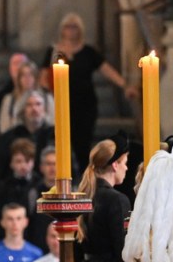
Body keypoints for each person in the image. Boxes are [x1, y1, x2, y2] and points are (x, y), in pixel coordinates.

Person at [42, 13, 136, 171]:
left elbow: (106, 70)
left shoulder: (88, 51)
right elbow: (44, 75)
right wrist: (47, 96)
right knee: (61, 142)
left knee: (83, 143)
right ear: (62, 30)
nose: (71, 31)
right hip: (60, 103)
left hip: (85, 105)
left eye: (74, 27)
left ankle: (83, 175)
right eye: (68, 27)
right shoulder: (54, 50)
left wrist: (125, 86)